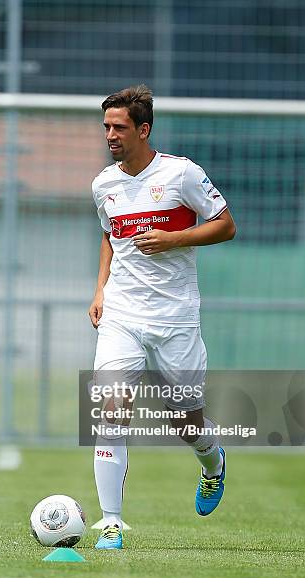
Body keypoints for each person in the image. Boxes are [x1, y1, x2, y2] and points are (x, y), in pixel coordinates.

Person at [89, 84, 236, 550]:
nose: (110, 134)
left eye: (119, 127)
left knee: (185, 419)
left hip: (175, 316)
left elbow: (226, 225)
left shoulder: (181, 174)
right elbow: (111, 237)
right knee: (111, 407)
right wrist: (100, 290)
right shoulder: (103, 184)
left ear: (143, 129)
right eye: (107, 126)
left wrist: (173, 239)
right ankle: (111, 522)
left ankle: (212, 464)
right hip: (123, 313)